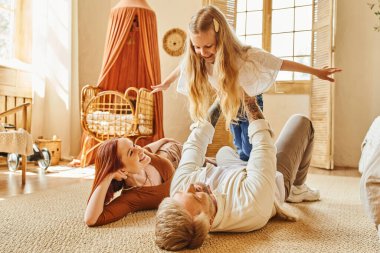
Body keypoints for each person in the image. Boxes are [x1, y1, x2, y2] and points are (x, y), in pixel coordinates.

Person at [151, 5, 341, 161]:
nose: (202, 52)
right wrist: (166, 83)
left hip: (250, 100)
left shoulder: (245, 55)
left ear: (221, 37)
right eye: (197, 46)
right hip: (230, 101)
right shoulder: (198, 57)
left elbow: (279, 63)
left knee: (251, 143)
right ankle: (245, 166)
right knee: (239, 144)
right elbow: (183, 67)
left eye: (208, 46)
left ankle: (263, 164)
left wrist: (316, 72)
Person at [155, 95, 319, 251]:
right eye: (197, 195)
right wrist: (247, 97)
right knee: (301, 122)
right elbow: (263, 144)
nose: (190, 186)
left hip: (235, 173)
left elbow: (195, 143)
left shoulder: (180, 189)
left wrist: (221, 98)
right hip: (273, 180)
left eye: (183, 191)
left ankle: (249, 163)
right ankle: (297, 188)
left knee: (224, 151)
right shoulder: (252, 207)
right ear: (209, 221)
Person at [84, 137, 182, 226]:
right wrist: (107, 177)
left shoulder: (144, 157)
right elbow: (91, 219)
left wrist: (163, 140)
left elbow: (147, 148)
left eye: (134, 145)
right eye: (131, 152)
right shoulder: (132, 199)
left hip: (175, 151)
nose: (139, 149)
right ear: (121, 170)